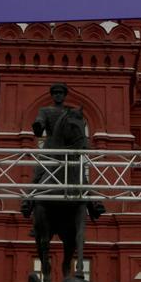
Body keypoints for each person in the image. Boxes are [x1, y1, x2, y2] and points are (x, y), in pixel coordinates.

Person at [21, 82, 107, 220]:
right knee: (38, 172)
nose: (58, 95)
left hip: (69, 150)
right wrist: (38, 125)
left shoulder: (69, 111)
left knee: (80, 175)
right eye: (55, 93)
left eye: (60, 93)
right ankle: (27, 201)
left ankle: (94, 203)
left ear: (65, 95)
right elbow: (40, 122)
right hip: (50, 148)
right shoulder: (45, 110)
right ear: (52, 95)